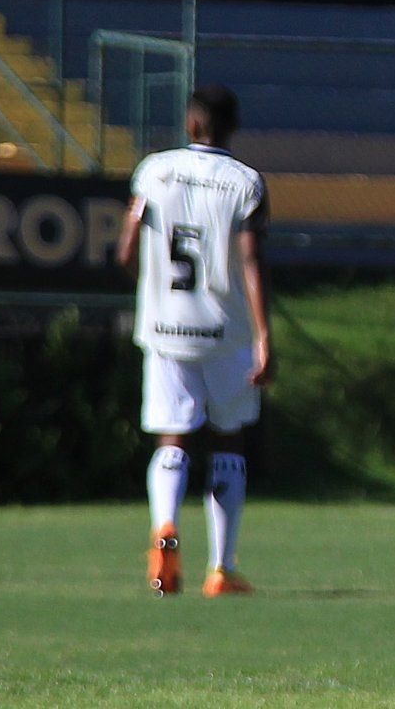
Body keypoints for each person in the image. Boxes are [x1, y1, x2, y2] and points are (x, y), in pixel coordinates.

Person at [117, 84, 273, 599]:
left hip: (166, 329)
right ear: (232, 127)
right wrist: (265, 338)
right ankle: (220, 569)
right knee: (228, 437)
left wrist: (152, 290)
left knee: (172, 437)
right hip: (225, 332)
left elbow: (126, 249)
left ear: (190, 125)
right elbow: (250, 261)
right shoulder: (245, 182)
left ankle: (166, 529)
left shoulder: (154, 170)